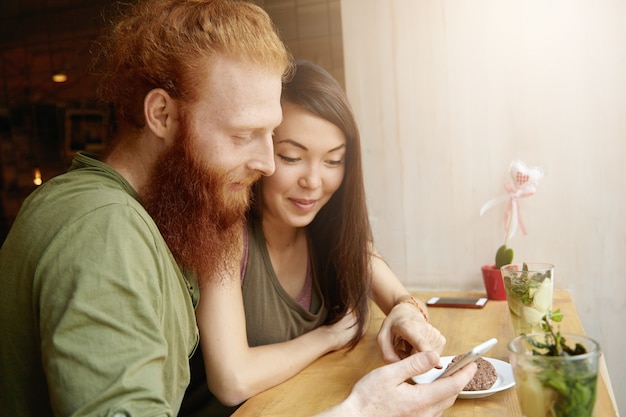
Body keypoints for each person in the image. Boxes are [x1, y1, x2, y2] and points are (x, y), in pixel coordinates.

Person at [0, 1, 475, 416]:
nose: (267, 164)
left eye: (271, 136)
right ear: (161, 114)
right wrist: (360, 411)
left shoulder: (152, 219)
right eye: (244, 135)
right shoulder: (105, 231)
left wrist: (403, 309)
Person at [180, 60, 467, 417]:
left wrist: (406, 313)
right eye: (292, 157)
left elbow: (396, 295)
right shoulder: (225, 233)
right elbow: (232, 379)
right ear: (263, 151)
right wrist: (328, 337)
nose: (314, 182)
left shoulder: (331, 230)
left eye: (333, 161)